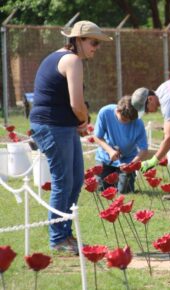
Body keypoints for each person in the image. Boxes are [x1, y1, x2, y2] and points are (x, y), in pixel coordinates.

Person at [29, 20, 112, 254]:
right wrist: (84, 121)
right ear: (78, 40)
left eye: (98, 43)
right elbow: (77, 104)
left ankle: (65, 234)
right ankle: (58, 239)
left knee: (75, 180)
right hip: (53, 126)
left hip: (61, 125)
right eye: (93, 42)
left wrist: (78, 120)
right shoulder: (72, 60)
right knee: (63, 181)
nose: (96, 47)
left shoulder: (62, 57)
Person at [94, 95, 149, 193]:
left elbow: (144, 149)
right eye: (124, 119)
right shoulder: (105, 112)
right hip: (106, 158)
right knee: (101, 190)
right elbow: (97, 137)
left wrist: (131, 165)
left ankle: (123, 180)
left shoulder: (138, 122)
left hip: (128, 161)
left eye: (130, 121)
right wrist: (110, 151)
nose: (127, 122)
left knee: (124, 191)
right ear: (117, 111)